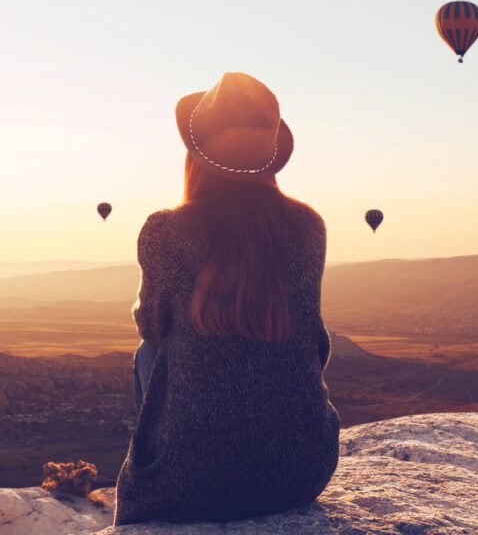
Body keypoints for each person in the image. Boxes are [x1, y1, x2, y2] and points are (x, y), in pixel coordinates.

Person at [115, 72, 340, 525]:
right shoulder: (308, 227)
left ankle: (165, 459)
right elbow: (312, 338)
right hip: (300, 470)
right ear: (271, 159)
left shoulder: (165, 231)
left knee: (149, 353)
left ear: (196, 156)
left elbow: (154, 327)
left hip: (190, 483)